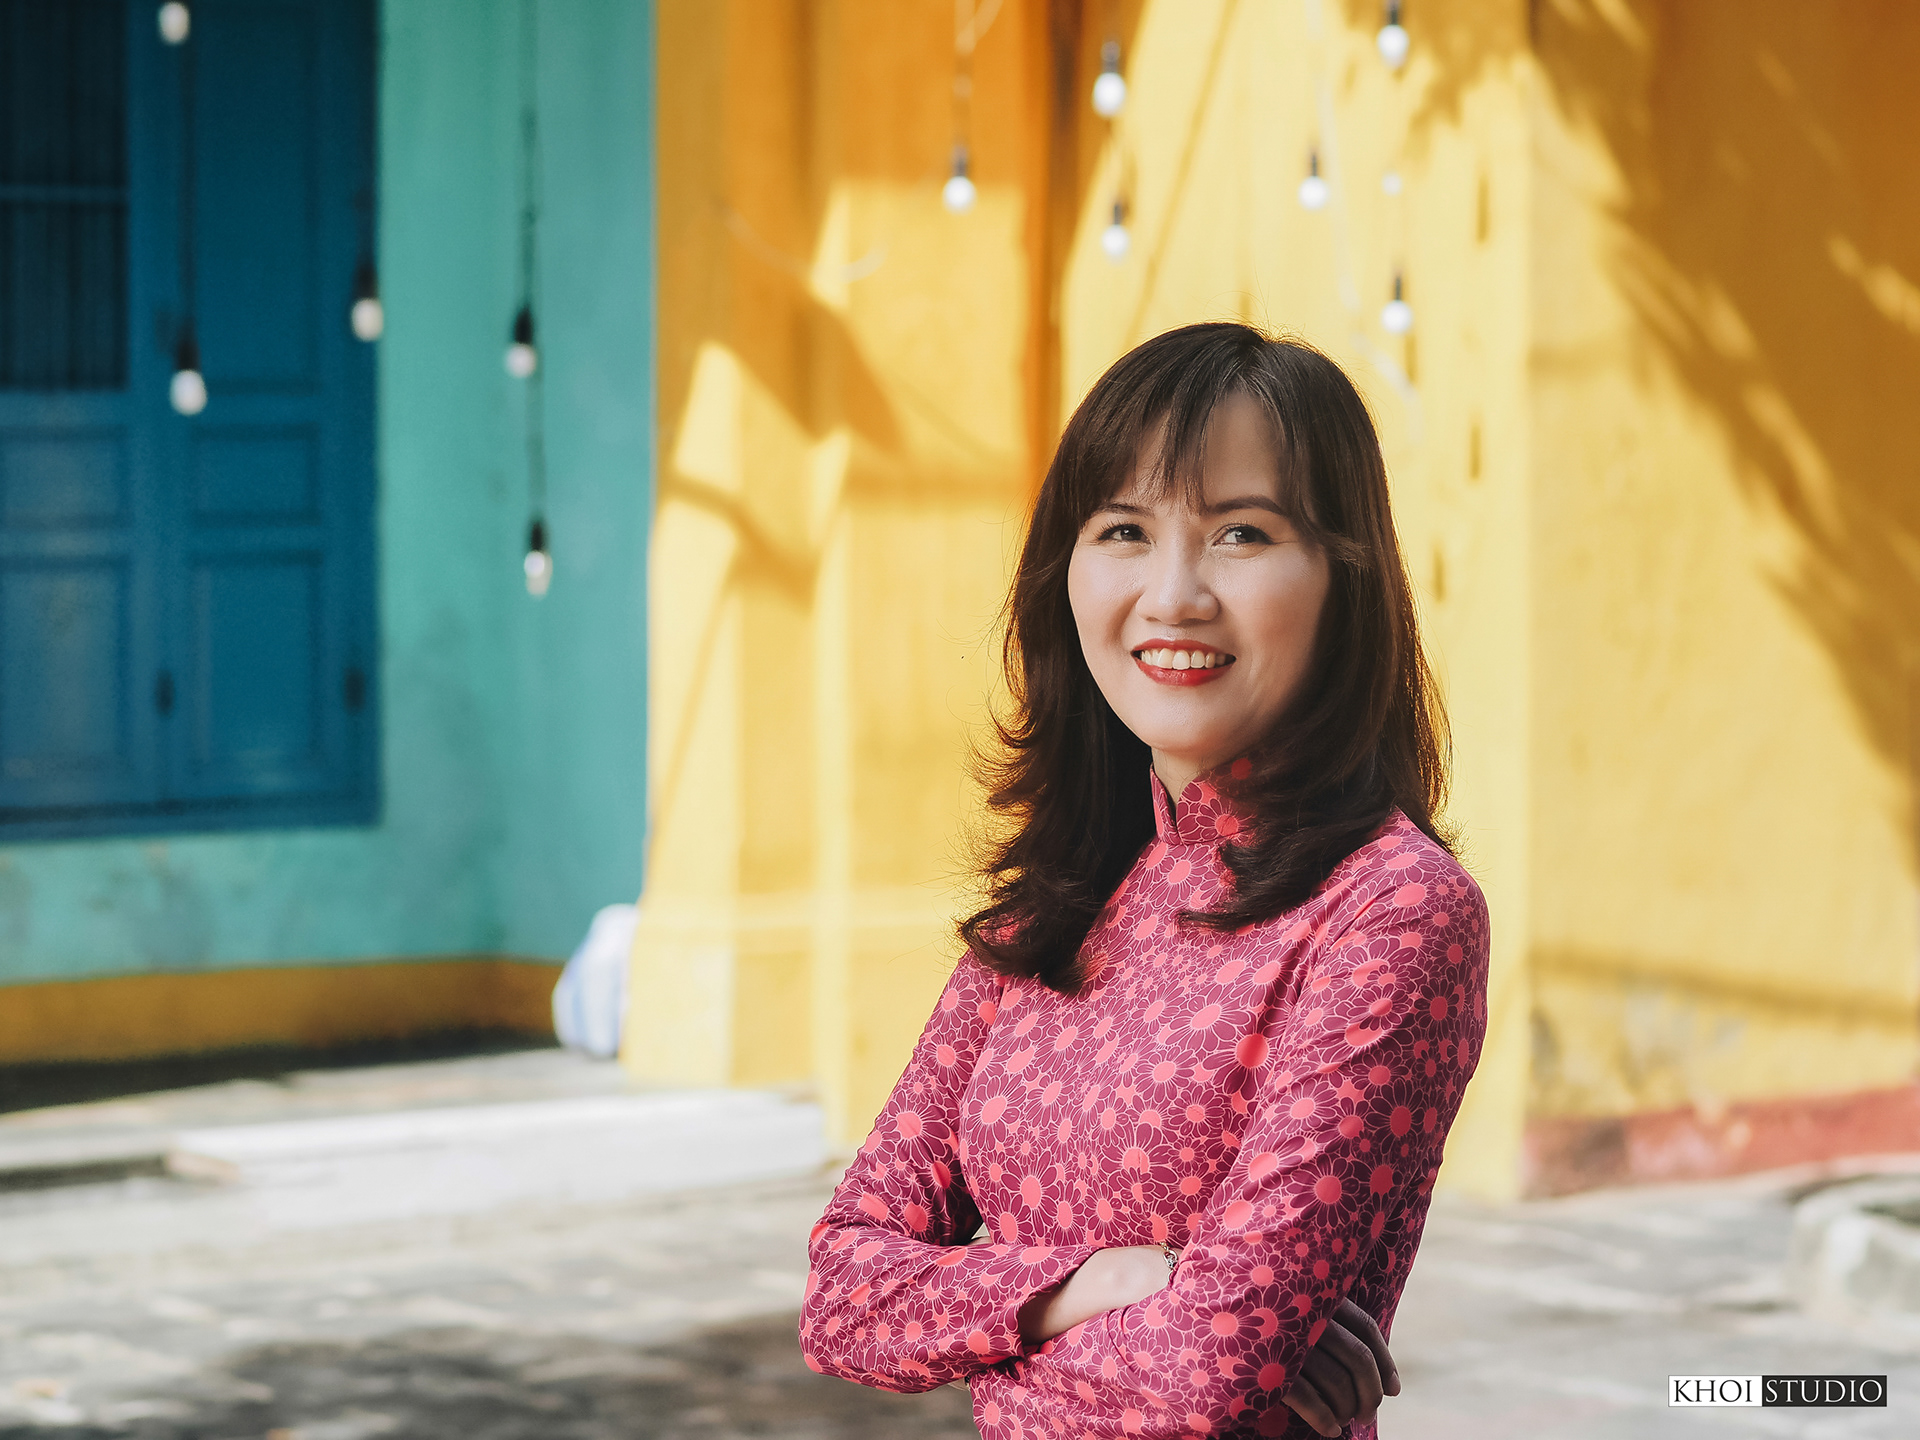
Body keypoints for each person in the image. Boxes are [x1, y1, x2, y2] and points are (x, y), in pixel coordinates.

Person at [799, 322, 1490, 1439]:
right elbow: (842, 1295)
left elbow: (1203, 1376)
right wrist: (1097, 1283)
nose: (1173, 595)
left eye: (1242, 534)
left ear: (1342, 579)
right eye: (1124, 529)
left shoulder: (1391, 914)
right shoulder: (1059, 903)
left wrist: (982, 1333)